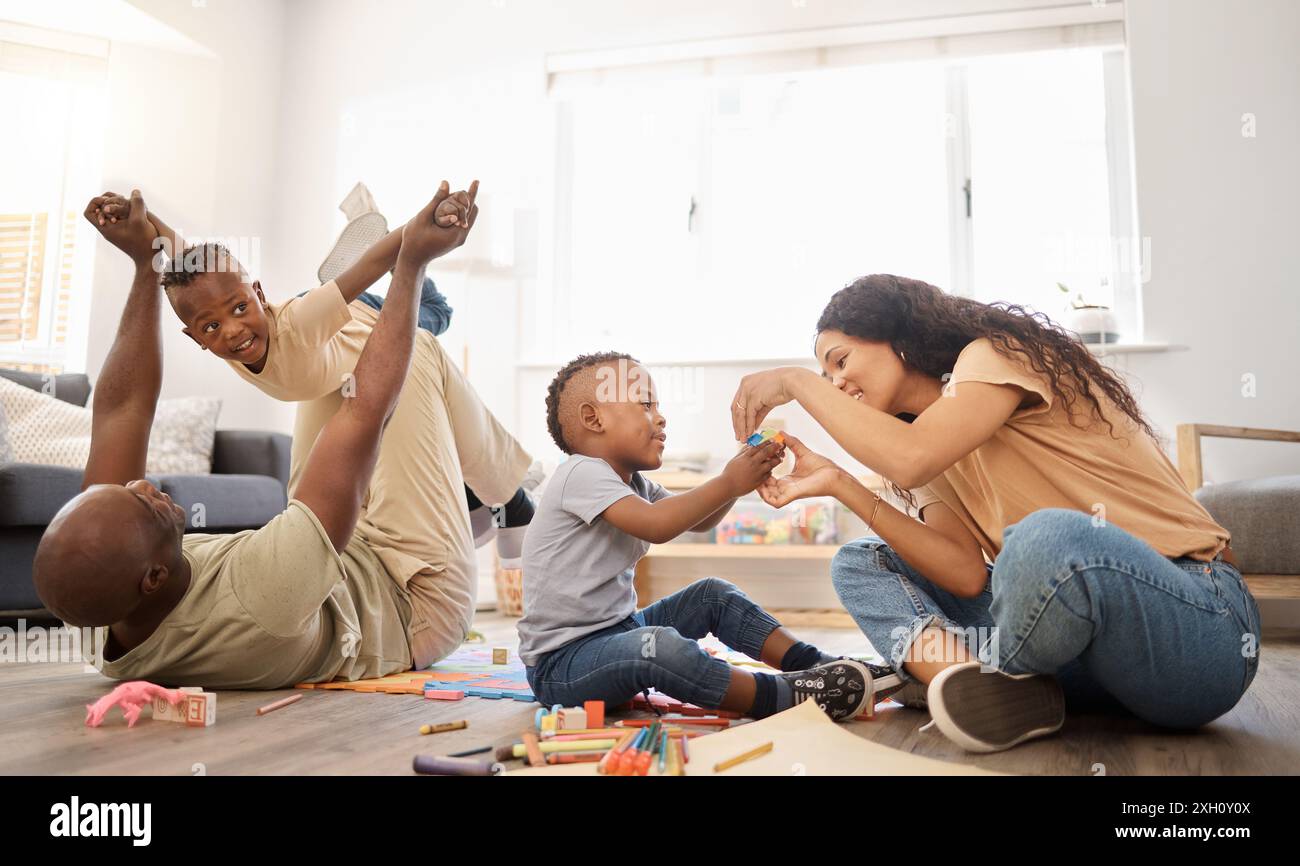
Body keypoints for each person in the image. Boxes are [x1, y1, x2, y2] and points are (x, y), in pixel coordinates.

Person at [731, 274, 1260, 751]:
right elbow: (962, 574)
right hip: (1075, 661)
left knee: (1042, 539)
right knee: (861, 561)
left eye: (840, 362)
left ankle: (968, 677)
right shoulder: (923, 449)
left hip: (1193, 627)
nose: (835, 384)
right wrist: (839, 484)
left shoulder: (993, 356)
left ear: (897, 334)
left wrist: (794, 382)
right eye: (822, 378)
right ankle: (978, 688)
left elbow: (911, 456)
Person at [34, 184, 488, 687]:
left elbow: (123, 409)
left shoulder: (98, 612)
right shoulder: (265, 597)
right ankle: (502, 501)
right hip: (412, 599)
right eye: (145, 506)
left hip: (329, 551)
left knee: (324, 363)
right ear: (153, 578)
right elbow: (366, 411)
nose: (144, 488)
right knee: (416, 350)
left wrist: (148, 266)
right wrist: (411, 260)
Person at [518, 352, 901, 722]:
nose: (661, 417)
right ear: (593, 418)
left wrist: (739, 480)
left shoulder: (633, 483)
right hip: (563, 667)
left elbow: (695, 520)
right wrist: (728, 481)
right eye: (645, 405)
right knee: (659, 646)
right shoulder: (579, 473)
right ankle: (784, 696)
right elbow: (657, 525)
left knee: (712, 595)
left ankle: (819, 667)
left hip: (618, 634)